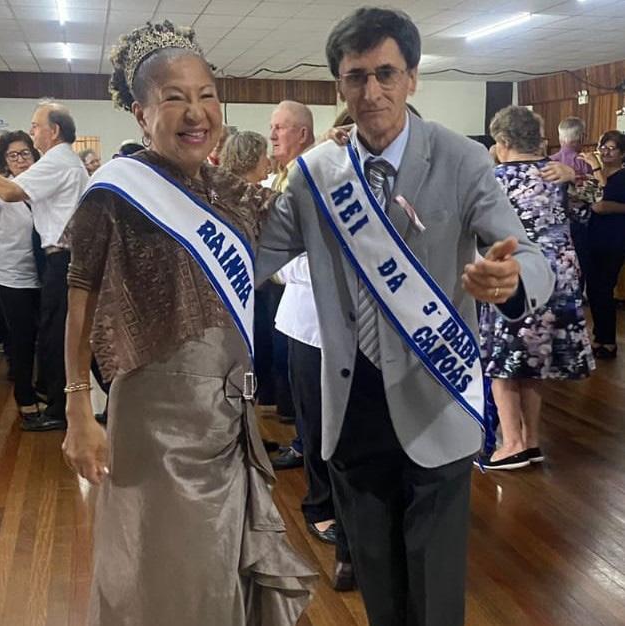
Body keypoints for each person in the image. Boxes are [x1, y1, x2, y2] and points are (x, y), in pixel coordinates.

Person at [255, 8, 554, 625]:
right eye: (356, 76)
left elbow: (529, 254)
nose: (372, 92)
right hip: (352, 406)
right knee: (379, 588)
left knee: (436, 592)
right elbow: (255, 257)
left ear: (412, 77)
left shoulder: (462, 160)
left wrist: (513, 278)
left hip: (437, 393)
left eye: (386, 74)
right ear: (339, 84)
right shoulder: (315, 176)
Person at [61, 21, 314, 626]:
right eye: (174, 98)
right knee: (162, 569)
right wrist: (77, 411)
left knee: (221, 567)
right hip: (156, 422)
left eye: (206, 95)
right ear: (142, 114)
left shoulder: (230, 191)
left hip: (230, 417)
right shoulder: (115, 191)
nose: (196, 112)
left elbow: (303, 228)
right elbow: (79, 303)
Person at [477, 105, 594, 470]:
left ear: (502, 141)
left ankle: (511, 444)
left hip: (515, 276)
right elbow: (586, 211)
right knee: (533, 360)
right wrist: (576, 176)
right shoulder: (558, 175)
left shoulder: (494, 179)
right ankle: (530, 442)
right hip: (560, 276)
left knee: (503, 361)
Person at [0, 101, 88, 431]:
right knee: (53, 334)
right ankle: (61, 401)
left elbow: (11, 192)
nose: (32, 132)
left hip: (63, 259)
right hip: (47, 262)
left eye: (35, 126)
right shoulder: (63, 161)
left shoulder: (57, 160)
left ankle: (58, 410)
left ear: (53, 131)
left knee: (55, 337)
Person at [266, 100, 315, 463]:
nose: (272, 135)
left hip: (312, 307)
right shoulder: (288, 174)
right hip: (295, 307)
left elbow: (311, 252)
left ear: (302, 133)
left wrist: (276, 267)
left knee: (311, 393)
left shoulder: (310, 176)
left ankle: (310, 452)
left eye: (279, 128)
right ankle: (303, 442)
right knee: (300, 388)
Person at [0, 131, 42, 424]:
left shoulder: (42, 182)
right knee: (21, 336)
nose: (20, 160)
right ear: (4, 160)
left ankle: (42, 386)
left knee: (43, 333)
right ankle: (24, 396)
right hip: (8, 273)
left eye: (25, 153)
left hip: (40, 272)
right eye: (13, 155)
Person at [581, 130, 625, 359]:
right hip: (592, 237)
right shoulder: (596, 175)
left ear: (622, 153)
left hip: (614, 239)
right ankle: (598, 336)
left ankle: (608, 341)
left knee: (605, 289)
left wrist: (610, 207)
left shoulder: (621, 176)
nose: (606, 152)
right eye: (603, 147)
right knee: (593, 290)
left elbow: (604, 198)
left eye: (611, 148)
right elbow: (593, 200)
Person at [551, 117, 593, 293]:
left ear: (560, 137)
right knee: (580, 268)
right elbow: (593, 196)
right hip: (581, 226)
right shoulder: (586, 163)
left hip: (555, 225)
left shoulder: (548, 162)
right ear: (581, 138)